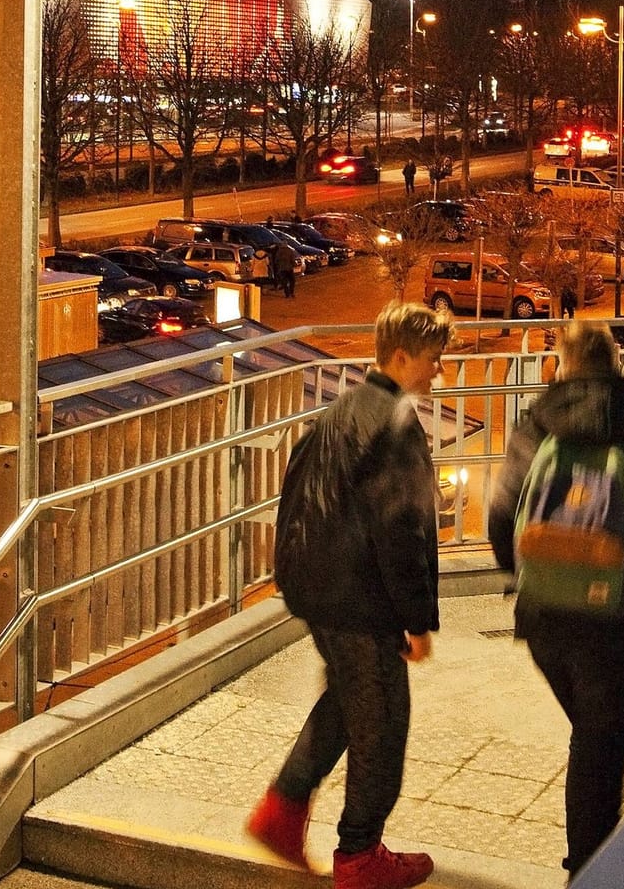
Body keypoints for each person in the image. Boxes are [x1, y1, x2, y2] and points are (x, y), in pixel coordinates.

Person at [487, 322, 624, 881]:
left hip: (541, 619)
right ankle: (590, 869)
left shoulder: (536, 423)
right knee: (602, 738)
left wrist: (534, 577)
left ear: (561, 365)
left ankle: (591, 858)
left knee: (592, 729)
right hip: (607, 620)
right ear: (616, 364)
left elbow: (499, 520)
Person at [248, 302, 447, 889]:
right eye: (433, 362)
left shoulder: (339, 410)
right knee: (383, 720)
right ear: (403, 356)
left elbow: (298, 492)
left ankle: (282, 810)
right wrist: (416, 619)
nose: (438, 373)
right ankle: (360, 855)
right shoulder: (395, 422)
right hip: (359, 597)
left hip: (317, 587)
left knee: (346, 698)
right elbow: (401, 528)